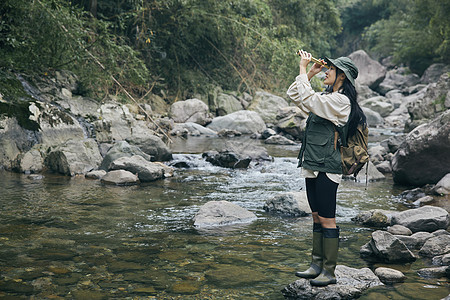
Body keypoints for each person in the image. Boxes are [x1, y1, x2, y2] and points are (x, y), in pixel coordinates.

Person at [286, 50, 366, 286]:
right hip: (312, 162)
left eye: (330, 69)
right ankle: (315, 265)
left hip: (328, 165)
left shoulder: (341, 101)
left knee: (327, 219)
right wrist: (310, 72)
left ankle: (328, 272)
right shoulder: (326, 96)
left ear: (342, 76)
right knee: (315, 217)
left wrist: (302, 68)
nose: (326, 71)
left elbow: (309, 100)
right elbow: (295, 94)